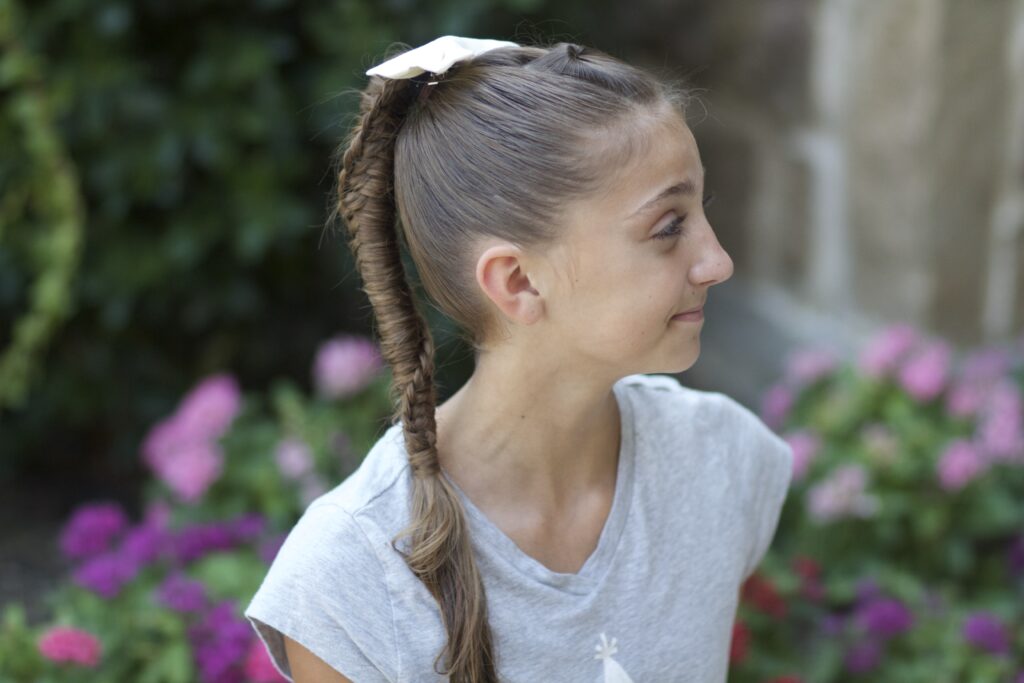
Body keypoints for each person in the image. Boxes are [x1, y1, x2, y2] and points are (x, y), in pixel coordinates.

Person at [244, 34, 794, 683]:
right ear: (519, 282)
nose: (718, 261)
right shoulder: (349, 579)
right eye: (668, 227)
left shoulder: (721, 460)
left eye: (702, 209)